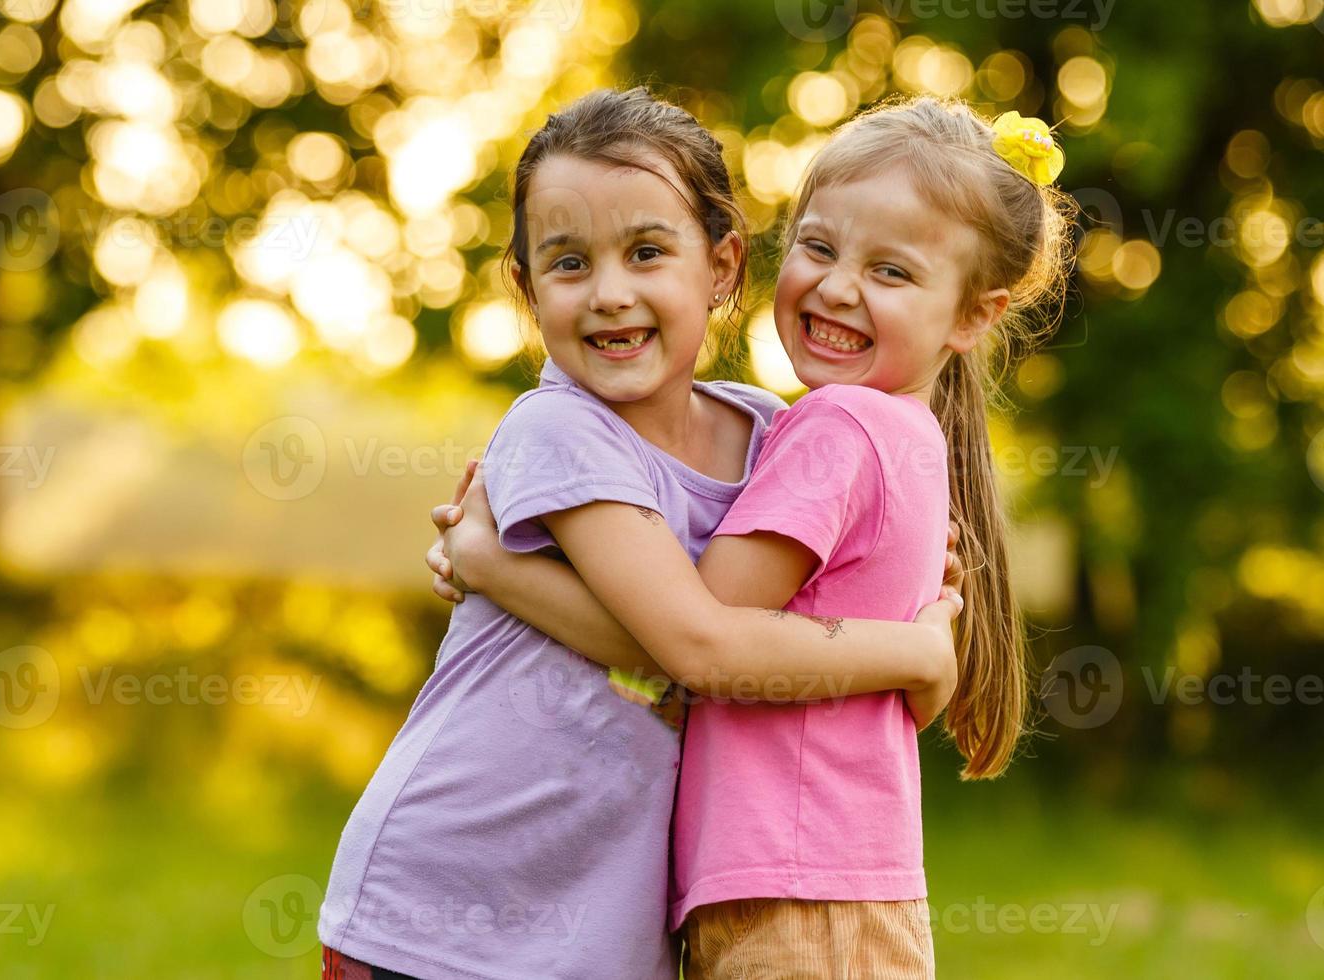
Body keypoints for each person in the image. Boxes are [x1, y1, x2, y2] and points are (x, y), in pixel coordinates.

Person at [319, 87, 961, 980]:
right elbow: (687, 647)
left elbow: (775, 624)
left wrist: (490, 564)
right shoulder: (561, 430)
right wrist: (916, 653)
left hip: (605, 935)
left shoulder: (772, 438)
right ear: (526, 286)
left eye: (648, 252)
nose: (610, 294)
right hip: (445, 910)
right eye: (569, 263)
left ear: (725, 265)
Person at [433, 96, 1076, 978]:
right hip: (838, 885)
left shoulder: (837, 428)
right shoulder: (904, 440)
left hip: (794, 887)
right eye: (818, 248)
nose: (839, 286)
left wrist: (494, 565)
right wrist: (919, 657)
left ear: (972, 316)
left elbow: (696, 633)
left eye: (891, 272)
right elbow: (888, 686)